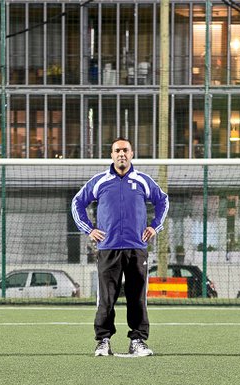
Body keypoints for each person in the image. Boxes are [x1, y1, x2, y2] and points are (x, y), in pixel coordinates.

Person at [72, 137, 169, 357]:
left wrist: (155, 227)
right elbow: (77, 202)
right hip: (108, 248)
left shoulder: (143, 180)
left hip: (137, 248)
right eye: (117, 151)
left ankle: (138, 341)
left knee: (137, 297)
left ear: (132, 154)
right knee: (106, 298)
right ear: (112, 155)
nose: (121, 154)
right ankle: (103, 341)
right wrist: (89, 229)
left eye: (125, 150)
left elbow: (163, 200)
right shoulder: (100, 181)